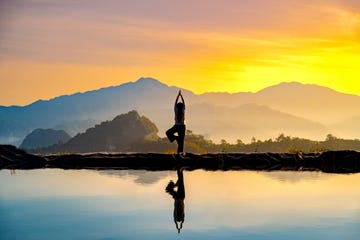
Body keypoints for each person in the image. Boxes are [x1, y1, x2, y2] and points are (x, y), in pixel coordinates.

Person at [165, 168, 185, 233]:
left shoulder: (180, 216)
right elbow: (176, 222)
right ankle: (179, 170)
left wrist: (179, 227)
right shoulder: (177, 216)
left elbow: (181, 221)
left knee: (181, 182)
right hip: (178, 197)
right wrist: (178, 227)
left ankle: (180, 170)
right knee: (181, 182)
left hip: (181, 197)